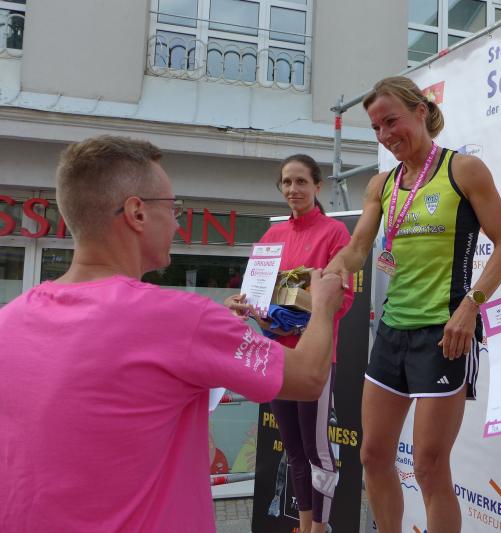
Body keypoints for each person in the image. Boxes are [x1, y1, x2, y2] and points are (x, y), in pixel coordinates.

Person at [0, 136, 343, 532]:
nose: (178, 222)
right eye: (172, 207)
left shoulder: (9, 322)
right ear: (137, 213)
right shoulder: (183, 320)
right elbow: (309, 377)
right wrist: (323, 305)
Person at [324, 76, 501, 533]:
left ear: (421, 111)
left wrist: (470, 307)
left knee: (430, 467)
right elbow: (357, 248)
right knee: (373, 455)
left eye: (391, 121)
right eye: (376, 127)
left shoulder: (463, 170)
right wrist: (329, 272)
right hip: (393, 332)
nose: (385, 134)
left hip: (444, 334)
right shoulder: (381, 184)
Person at [226, 154, 354, 533]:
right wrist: (249, 308)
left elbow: (343, 301)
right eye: (286, 182)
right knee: (294, 450)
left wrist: (297, 317)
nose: (293, 189)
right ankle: (305, 525)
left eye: (301, 181)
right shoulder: (272, 238)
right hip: (276, 355)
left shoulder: (335, 234)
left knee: (318, 451)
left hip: (313, 356)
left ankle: (321, 527)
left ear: (318, 186)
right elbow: (258, 296)